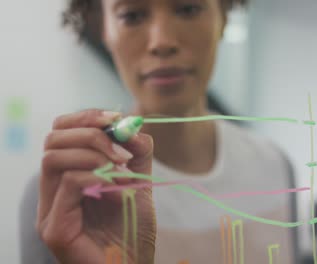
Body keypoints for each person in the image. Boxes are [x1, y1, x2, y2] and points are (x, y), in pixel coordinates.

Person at [20, 0, 298, 263]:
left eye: (188, 9)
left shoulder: (274, 166)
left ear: (223, 17)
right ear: (104, 29)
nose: (161, 41)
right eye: (132, 15)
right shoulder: (70, 196)